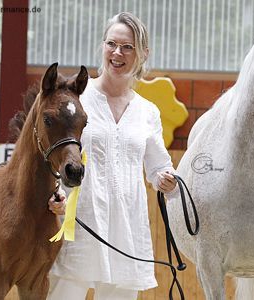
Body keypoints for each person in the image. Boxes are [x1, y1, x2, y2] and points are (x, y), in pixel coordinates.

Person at [47, 12, 177, 300]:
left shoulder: (148, 112)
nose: (118, 53)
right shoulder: (76, 100)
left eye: (127, 47)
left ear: (143, 53)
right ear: (103, 47)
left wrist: (164, 179)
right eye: (111, 44)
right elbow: (51, 155)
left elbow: (158, 167)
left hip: (126, 229)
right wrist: (55, 193)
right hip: (78, 222)